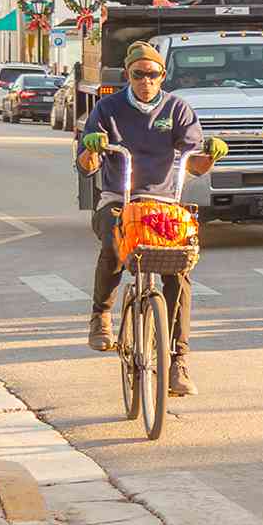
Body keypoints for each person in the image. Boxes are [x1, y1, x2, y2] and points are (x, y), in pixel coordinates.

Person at [76, 41, 225, 397]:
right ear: (127, 75)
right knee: (114, 237)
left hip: (163, 203)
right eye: (138, 74)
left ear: (162, 76)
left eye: (153, 74)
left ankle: (179, 359)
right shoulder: (107, 109)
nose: (146, 80)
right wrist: (93, 149)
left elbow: (196, 162)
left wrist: (212, 156)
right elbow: (86, 164)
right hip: (119, 197)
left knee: (179, 268)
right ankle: (101, 315)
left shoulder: (178, 109)